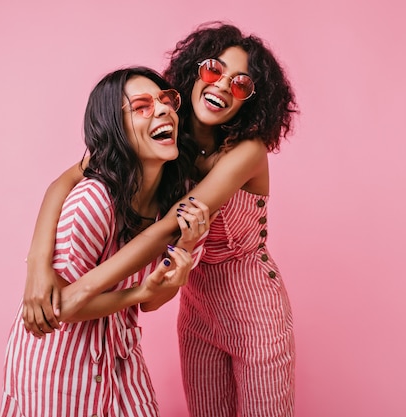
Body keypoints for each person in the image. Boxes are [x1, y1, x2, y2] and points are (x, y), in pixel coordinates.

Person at [23, 22, 298, 417]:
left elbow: (170, 225)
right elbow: (65, 179)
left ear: (249, 102)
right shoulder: (163, 126)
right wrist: (36, 264)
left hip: (256, 308)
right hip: (198, 306)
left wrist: (80, 293)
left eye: (240, 84)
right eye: (213, 70)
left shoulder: (247, 151)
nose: (222, 86)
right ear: (193, 71)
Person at [0, 66, 211, 417]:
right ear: (115, 128)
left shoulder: (181, 199)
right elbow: (59, 309)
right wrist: (138, 294)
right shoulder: (93, 201)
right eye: (142, 105)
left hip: (120, 354)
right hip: (58, 362)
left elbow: (152, 304)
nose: (162, 110)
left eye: (166, 101)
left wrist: (182, 257)